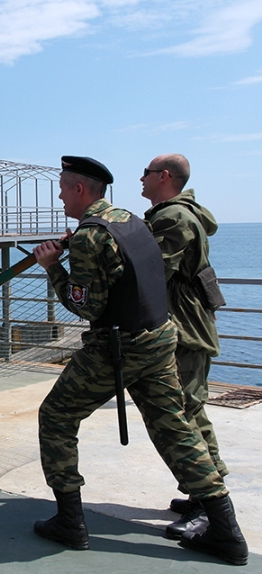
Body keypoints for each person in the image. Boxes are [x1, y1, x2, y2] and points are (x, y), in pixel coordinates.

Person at [31, 155, 247, 566]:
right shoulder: (129, 220)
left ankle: (70, 522)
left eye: (62, 188)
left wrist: (53, 267)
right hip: (160, 338)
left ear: (79, 189)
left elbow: (87, 306)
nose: (59, 197)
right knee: (174, 426)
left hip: (120, 344)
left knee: (56, 416)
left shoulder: (89, 236)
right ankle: (226, 531)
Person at [141, 153, 229, 539]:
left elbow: (152, 273)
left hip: (185, 331)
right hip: (186, 326)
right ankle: (201, 493)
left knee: (186, 416)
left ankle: (210, 503)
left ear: (164, 176)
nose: (140, 179)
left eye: (146, 173)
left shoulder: (174, 217)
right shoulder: (176, 214)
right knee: (190, 412)